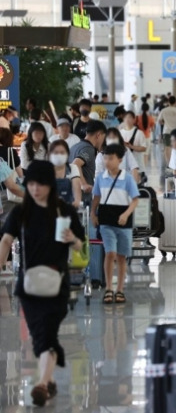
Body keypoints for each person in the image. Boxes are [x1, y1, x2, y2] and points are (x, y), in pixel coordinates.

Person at [0, 160, 84, 406]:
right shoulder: (20, 212)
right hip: (28, 285)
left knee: (47, 333)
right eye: (31, 184)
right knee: (39, 336)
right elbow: (6, 241)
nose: (35, 189)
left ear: (50, 185)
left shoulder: (63, 211)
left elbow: (81, 245)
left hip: (57, 283)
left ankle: (41, 384)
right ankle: (47, 380)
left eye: (40, 184)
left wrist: (72, 239)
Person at [91, 144, 140, 305]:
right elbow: (96, 197)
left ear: (119, 160)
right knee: (110, 253)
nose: (107, 161)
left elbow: (135, 200)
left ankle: (120, 289)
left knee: (121, 256)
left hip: (123, 221)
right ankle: (108, 289)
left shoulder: (127, 178)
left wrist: (126, 214)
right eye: (105, 157)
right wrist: (93, 212)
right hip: (106, 220)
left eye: (111, 158)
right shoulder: (100, 178)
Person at [70, 120, 107, 205]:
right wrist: (84, 184)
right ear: (98, 135)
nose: (103, 141)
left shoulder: (75, 147)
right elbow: (75, 164)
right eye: (103, 138)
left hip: (72, 196)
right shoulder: (89, 149)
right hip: (83, 199)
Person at [49, 140, 82, 208]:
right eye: (56, 153)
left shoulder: (72, 168)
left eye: (62, 152)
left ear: (67, 154)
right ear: (50, 154)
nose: (59, 155)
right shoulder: (45, 169)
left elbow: (76, 186)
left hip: (68, 207)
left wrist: (77, 201)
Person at [158, 95, 176, 163]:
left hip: (166, 131)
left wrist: (164, 123)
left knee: (167, 147)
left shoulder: (164, 110)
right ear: (175, 102)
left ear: (168, 102)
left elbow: (159, 121)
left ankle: (169, 163)